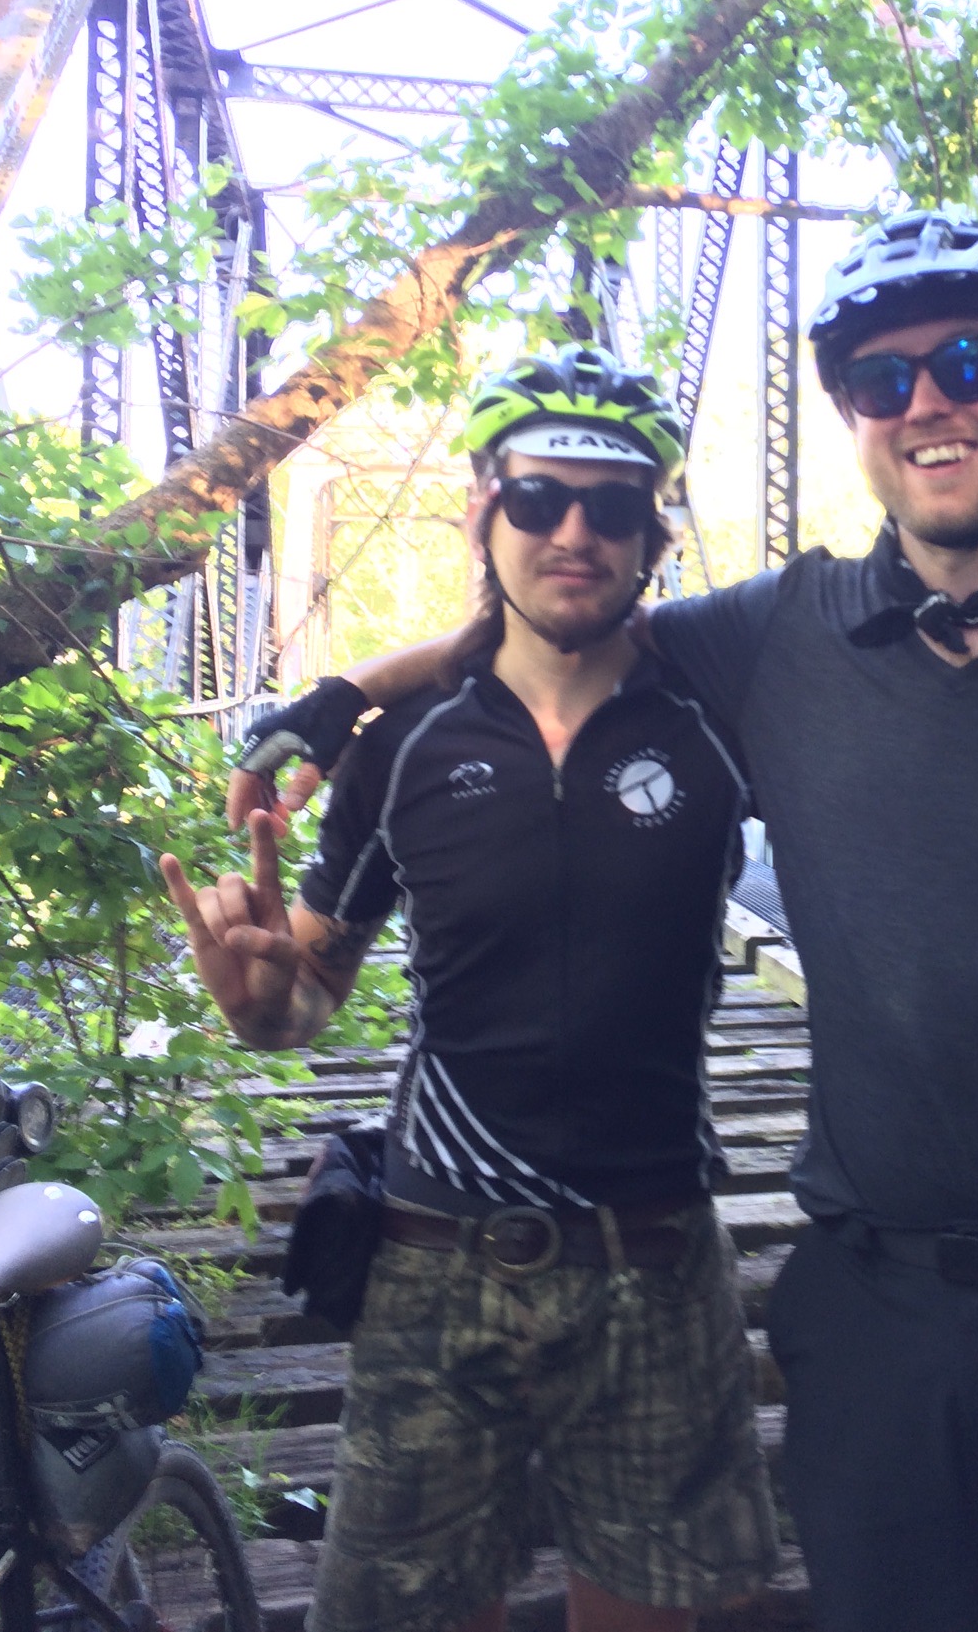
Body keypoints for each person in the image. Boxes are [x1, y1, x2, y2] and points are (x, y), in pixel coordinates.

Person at [217, 234, 978, 1631]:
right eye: (881, 379)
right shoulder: (668, 667)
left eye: (968, 364)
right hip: (667, 1281)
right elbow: (549, 643)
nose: (928, 403)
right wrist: (338, 703)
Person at [160, 348, 781, 1632]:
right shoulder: (402, 752)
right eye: (537, 497)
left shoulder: (723, 724)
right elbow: (310, 993)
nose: (574, 532)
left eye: (613, 505)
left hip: (654, 1260)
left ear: (656, 533)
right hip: (436, 1264)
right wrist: (261, 1003)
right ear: (480, 512)